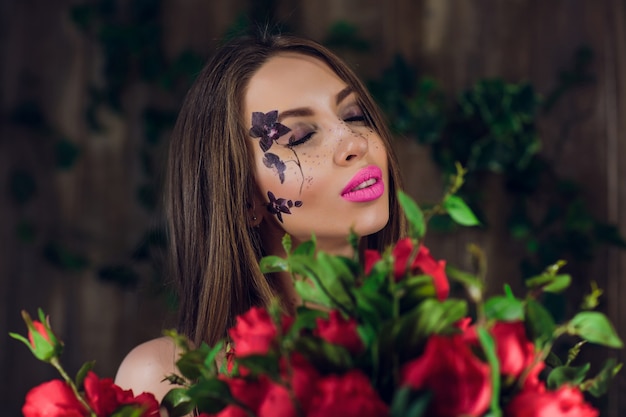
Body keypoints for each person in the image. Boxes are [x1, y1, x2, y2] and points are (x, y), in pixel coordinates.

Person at [114, 31, 406, 402]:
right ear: (244, 199)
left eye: (355, 115)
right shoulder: (170, 378)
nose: (355, 142)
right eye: (300, 136)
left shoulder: (438, 357)